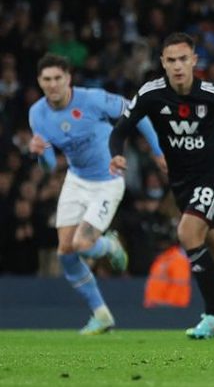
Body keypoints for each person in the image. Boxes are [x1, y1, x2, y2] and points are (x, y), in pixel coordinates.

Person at [109, 32, 214, 339]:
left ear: (194, 61)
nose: (178, 66)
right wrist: (116, 155)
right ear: (162, 63)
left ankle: (213, 317)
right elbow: (120, 130)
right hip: (181, 183)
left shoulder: (210, 93)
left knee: (186, 232)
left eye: (183, 59)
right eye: (171, 60)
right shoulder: (151, 94)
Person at [28, 53, 166, 335]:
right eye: (46, 79)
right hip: (76, 181)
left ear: (68, 79)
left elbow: (134, 111)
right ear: (40, 82)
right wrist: (41, 155)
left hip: (108, 180)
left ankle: (110, 246)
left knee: (81, 244)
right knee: (65, 253)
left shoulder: (91, 99)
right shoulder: (37, 114)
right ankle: (102, 315)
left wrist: (158, 151)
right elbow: (50, 165)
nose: (52, 84)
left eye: (57, 78)